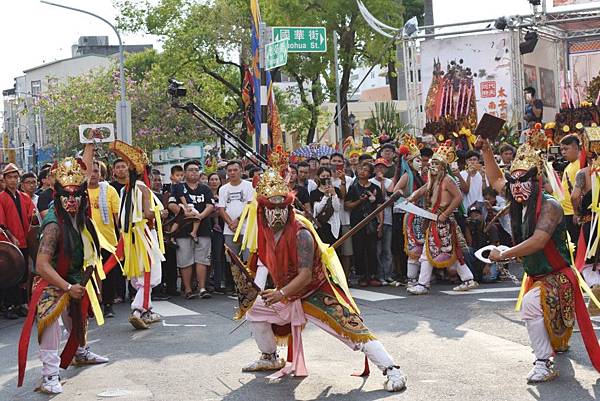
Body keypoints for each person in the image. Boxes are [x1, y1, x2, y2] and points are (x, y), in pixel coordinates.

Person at [235, 159, 406, 392]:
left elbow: (305, 276)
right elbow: (264, 263)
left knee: (352, 330)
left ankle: (392, 369)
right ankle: (270, 356)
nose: (277, 214)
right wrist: (255, 291)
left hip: (315, 292)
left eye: (282, 208)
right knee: (254, 309)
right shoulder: (263, 232)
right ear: (262, 211)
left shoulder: (301, 234)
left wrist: (281, 292)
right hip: (287, 294)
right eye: (271, 209)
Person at [482, 128, 600, 383]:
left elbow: (538, 241)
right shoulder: (519, 199)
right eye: (513, 181)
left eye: (523, 180)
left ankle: (543, 362)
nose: (516, 186)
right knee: (539, 309)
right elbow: (495, 180)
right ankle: (553, 348)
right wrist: (485, 150)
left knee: (530, 305)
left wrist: (504, 254)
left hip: (557, 276)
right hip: (537, 275)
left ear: (536, 181)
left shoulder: (550, 205)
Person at [17, 156, 108, 394]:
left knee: (78, 318)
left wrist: (89, 145)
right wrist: (67, 288)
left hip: (74, 277)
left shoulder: (82, 218)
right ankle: (49, 375)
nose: (71, 200)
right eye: (65, 195)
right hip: (50, 281)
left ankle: (79, 352)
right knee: (50, 321)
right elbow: (43, 264)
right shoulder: (53, 225)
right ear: (57, 196)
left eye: (76, 194)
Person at [406, 141, 478, 295]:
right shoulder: (434, 180)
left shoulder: (447, 180)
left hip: (443, 219)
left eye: (436, 164)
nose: (432, 166)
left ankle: (423, 284)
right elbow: (422, 189)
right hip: (433, 219)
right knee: (443, 251)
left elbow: (458, 197)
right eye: (432, 163)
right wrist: (411, 197)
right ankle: (467, 279)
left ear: (443, 166)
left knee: (444, 251)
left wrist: (445, 214)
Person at [109, 140, 165, 329]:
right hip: (145, 236)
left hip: (131, 237)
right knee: (151, 274)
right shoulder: (142, 188)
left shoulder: (126, 189)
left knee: (138, 275)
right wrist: (161, 212)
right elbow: (148, 214)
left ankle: (147, 309)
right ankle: (138, 310)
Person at [169, 160, 214, 300]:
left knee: (202, 260)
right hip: (183, 229)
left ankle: (202, 288)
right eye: (190, 170)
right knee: (185, 260)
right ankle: (188, 289)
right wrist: (184, 214)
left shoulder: (205, 188)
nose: (194, 172)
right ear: (185, 173)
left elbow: (210, 205)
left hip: (203, 229)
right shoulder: (178, 187)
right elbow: (171, 204)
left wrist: (200, 216)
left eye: (196, 170)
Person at [0, 163, 36, 319]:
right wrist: (11, 237)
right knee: (9, 274)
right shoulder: (1, 198)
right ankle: (9, 305)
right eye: (9, 177)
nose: (13, 180)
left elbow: (32, 218)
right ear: (5, 179)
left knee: (23, 274)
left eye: (15, 177)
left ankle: (21, 304)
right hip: (9, 243)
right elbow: (1, 222)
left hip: (24, 240)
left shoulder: (25, 197)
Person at [87, 161, 121, 318]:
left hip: (108, 240)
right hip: (86, 240)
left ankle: (108, 305)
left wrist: (121, 237)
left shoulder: (109, 190)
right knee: (89, 274)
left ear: (101, 174)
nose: (93, 174)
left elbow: (117, 217)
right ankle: (91, 305)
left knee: (108, 274)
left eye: (96, 171)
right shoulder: (79, 191)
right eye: (90, 171)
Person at [345, 162, 384, 287]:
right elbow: (347, 205)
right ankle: (362, 276)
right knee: (359, 249)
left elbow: (380, 206)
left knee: (372, 249)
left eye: (366, 170)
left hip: (372, 222)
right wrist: (359, 201)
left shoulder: (375, 188)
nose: (362, 171)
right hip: (357, 222)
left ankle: (373, 275)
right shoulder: (353, 187)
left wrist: (381, 223)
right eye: (361, 169)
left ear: (370, 173)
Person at [394, 135, 426, 286]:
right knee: (413, 247)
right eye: (417, 160)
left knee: (421, 246)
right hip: (410, 214)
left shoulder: (418, 176)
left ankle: (419, 277)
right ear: (409, 162)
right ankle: (411, 279)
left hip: (420, 213)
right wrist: (407, 197)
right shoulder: (407, 175)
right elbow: (396, 190)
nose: (420, 163)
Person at [218, 160, 255, 261]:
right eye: (229, 170)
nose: (232, 173)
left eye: (235, 170)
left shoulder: (250, 186)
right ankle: (236, 278)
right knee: (233, 261)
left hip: (247, 229)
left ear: (241, 171)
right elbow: (221, 209)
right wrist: (231, 224)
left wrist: (238, 221)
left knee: (249, 260)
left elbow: (250, 205)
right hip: (229, 230)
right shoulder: (223, 189)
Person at [329, 153, 354, 279]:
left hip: (345, 219)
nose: (336, 163)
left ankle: (346, 277)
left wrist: (343, 180)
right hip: (330, 220)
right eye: (334, 161)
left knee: (346, 251)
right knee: (332, 251)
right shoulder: (325, 179)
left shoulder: (350, 180)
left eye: (339, 161)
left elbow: (345, 197)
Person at [371, 158, 394, 285]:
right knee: (378, 250)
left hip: (388, 219)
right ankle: (379, 275)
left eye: (383, 167)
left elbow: (388, 198)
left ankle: (388, 274)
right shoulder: (370, 182)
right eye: (378, 167)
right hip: (375, 220)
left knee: (387, 249)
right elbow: (377, 200)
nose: (380, 169)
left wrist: (382, 183)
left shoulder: (389, 182)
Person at [559, 134, 583, 245]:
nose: (563, 152)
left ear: (576, 147)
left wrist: (576, 212)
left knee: (577, 243)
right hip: (567, 211)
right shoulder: (570, 165)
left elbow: (579, 193)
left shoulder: (580, 165)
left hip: (574, 213)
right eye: (561, 149)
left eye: (566, 149)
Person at [208, 172, 229, 293]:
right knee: (208, 257)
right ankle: (206, 282)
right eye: (211, 179)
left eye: (216, 179)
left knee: (219, 256)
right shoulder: (205, 193)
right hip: (208, 227)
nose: (214, 182)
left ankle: (218, 283)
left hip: (222, 227)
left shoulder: (224, 193)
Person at [310, 167, 341, 245]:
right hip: (320, 225)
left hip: (334, 225)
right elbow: (318, 210)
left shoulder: (336, 190)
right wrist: (326, 196)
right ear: (318, 177)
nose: (325, 178)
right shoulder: (314, 193)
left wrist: (334, 194)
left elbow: (337, 208)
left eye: (327, 176)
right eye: (323, 176)